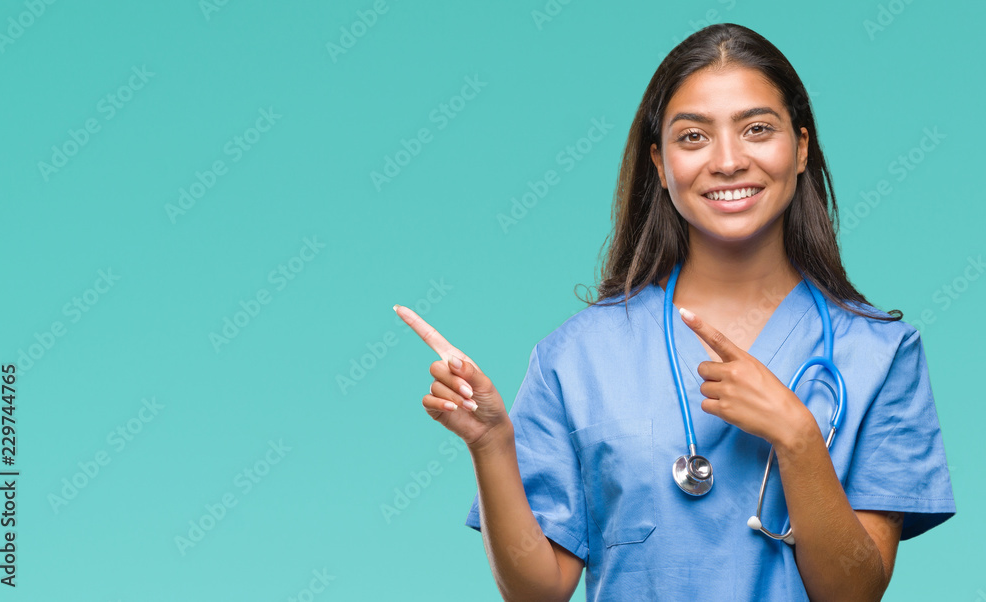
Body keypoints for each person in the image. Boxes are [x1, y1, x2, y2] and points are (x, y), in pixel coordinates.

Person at [395, 22, 955, 601]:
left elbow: (854, 593)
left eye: (758, 129)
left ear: (802, 148)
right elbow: (538, 592)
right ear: (660, 165)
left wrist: (797, 437)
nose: (729, 160)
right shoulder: (577, 356)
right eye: (694, 138)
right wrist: (490, 446)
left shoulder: (882, 354)